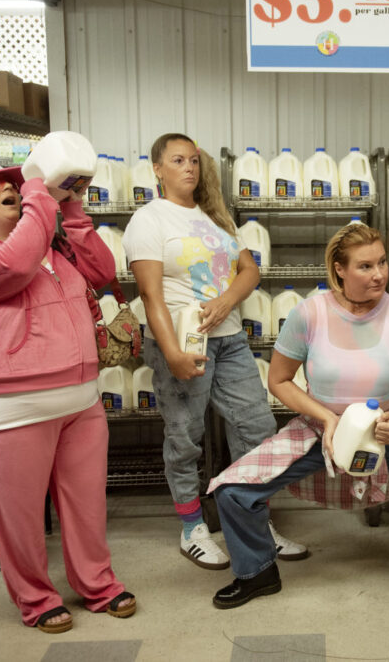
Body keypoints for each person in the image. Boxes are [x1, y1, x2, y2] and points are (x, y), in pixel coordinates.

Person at [207, 223, 389, 616]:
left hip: (385, 433)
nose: (378, 274)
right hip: (319, 430)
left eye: (382, 263)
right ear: (339, 270)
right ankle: (256, 572)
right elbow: (278, 380)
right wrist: (325, 417)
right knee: (234, 490)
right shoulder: (309, 314)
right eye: (364, 266)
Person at [0, 157, 136, 633]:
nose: (11, 186)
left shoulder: (50, 242)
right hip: (11, 409)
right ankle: (35, 597)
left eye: (14, 180)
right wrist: (40, 194)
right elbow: (15, 261)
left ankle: (98, 584)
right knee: (20, 516)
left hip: (80, 401)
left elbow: (102, 270)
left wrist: (75, 212)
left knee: (87, 506)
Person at [122, 134, 306, 569]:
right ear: (158, 170)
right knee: (185, 436)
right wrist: (171, 354)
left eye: (194, 160)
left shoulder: (216, 217)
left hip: (229, 337)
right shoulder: (149, 221)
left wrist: (226, 301)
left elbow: (250, 270)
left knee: (257, 427)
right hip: (183, 340)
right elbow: (150, 296)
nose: (189, 167)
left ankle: (253, 520)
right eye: (178, 160)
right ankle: (192, 528)